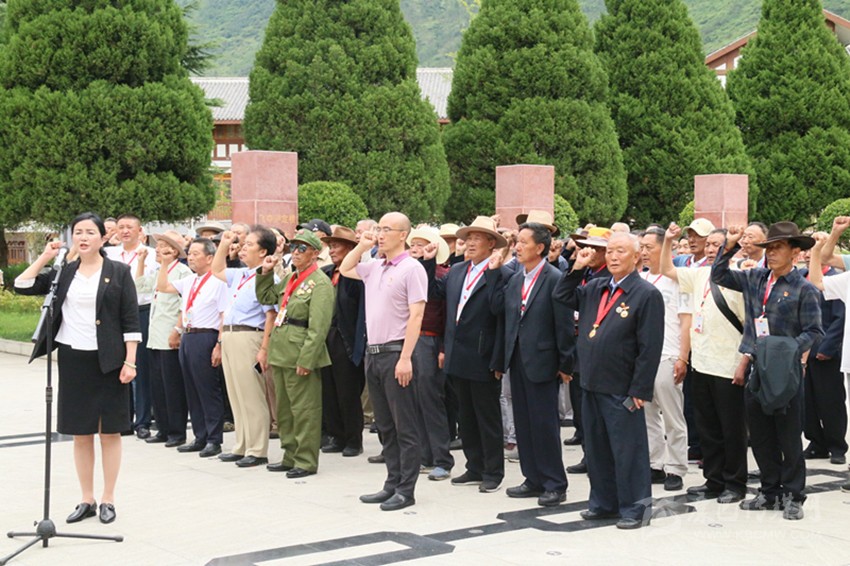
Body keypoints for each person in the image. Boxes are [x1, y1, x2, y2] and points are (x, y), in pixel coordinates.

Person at [15, 212, 141, 524]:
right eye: (78, 232)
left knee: (109, 432)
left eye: (89, 232)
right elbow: (22, 284)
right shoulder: (65, 272)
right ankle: (87, 498)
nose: (83, 237)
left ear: (102, 237)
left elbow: (130, 319)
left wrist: (130, 360)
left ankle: (108, 498)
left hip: (109, 361)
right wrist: (47, 256)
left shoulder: (119, 271)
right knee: (81, 433)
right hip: (74, 359)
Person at [553, 232, 664, 529]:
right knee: (597, 449)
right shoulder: (596, 287)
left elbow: (650, 346)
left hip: (622, 386)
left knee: (628, 451)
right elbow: (561, 296)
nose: (614, 256)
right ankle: (604, 503)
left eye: (621, 251)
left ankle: (636, 509)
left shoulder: (645, 294)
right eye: (610, 251)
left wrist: (640, 388)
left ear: (636, 256)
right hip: (591, 381)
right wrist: (577, 268)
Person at [712, 222, 823, 520]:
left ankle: (793, 495)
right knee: (761, 435)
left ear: (795, 252)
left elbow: (814, 331)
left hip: (785, 371)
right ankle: (769, 491)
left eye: (778, 248)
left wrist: (786, 350)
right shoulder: (755, 278)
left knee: (788, 436)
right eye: (769, 248)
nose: (771, 253)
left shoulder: (804, 289)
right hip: (756, 368)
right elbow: (719, 275)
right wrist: (730, 245)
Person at [340, 212, 428, 511]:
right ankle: (392, 482)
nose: (380, 234)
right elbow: (345, 268)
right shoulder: (375, 266)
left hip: (396, 353)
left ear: (403, 234)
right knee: (385, 426)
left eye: (386, 229)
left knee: (405, 426)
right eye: (378, 228)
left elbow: (417, 315)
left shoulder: (412, 269)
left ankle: (406, 489)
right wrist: (362, 245)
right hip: (373, 353)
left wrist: (406, 357)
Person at [661, 225, 749, 505]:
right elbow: (666, 269)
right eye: (708, 244)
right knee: (707, 427)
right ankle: (714, 480)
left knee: (731, 429)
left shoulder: (740, 277)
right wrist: (668, 241)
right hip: (701, 363)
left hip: (729, 365)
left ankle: (735, 483)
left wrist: (744, 361)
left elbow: (749, 326)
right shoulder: (698, 274)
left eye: (717, 245)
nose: (711, 249)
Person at [489, 222, 574, 508]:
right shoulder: (516, 278)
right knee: (523, 422)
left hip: (544, 361)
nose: (518, 247)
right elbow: (500, 313)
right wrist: (494, 273)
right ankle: (532, 477)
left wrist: (565, 364)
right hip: (517, 359)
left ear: (539, 247)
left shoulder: (554, 278)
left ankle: (554, 483)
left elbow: (563, 324)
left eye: (524, 242)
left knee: (544, 424)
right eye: (517, 242)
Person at [423, 216, 508, 494]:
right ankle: (474, 466)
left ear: (491, 244)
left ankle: (493, 471)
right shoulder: (458, 270)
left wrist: (493, 274)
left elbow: (499, 312)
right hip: (457, 353)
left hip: (483, 354)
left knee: (487, 416)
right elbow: (435, 292)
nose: (470, 243)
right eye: (468, 238)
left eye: (477, 238)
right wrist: (428, 263)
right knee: (466, 416)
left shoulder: (501, 273)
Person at [256, 230, 334, 478]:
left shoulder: (320, 283)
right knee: (285, 410)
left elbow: (318, 327)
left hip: (300, 351)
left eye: (302, 249)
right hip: (282, 349)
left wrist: (307, 359)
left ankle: (306, 460)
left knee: (304, 410)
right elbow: (267, 297)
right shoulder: (292, 277)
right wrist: (265, 272)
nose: (296, 253)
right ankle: (290, 455)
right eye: (293, 248)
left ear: (315, 253)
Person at [211, 227, 278, 468]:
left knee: (252, 394)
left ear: (263, 252)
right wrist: (224, 243)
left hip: (250, 335)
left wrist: (264, 348)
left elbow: (271, 315)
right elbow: (216, 269)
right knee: (237, 394)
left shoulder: (268, 277)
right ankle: (241, 445)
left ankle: (257, 449)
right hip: (230, 335)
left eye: (250, 244)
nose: (243, 247)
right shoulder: (241, 274)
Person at [158, 238, 229, 458]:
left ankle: (214, 439)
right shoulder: (190, 280)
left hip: (206, 336)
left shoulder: (218, 281)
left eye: (196, 253)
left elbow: (223, 315)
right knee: (191, 389)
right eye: (189, 253)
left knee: (208, 389)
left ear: (210, 258)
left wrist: (219, 344)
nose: (191, 257)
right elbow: (163, 287)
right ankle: (200, 436)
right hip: (188, 335)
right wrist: (164, 264)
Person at [638, 227, 691, 492]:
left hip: (669, 355)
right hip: (643, 358)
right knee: (647, 414)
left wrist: (683, 357)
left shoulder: (679, 280)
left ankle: (676, 468)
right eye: (642, 248)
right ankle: (655, 463)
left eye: (649, 247)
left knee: (672, 416)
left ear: (664, 248)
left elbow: (685, 322)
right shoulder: (641, 279)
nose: (644, 252)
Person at [134, 230, 193, 447]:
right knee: (157, 386)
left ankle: (177, 432)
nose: (157, 251)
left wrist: (177, 330)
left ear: (174, 251)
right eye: (157, 246)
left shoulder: (183, 272)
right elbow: (139, 285)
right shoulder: (160, 270)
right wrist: (141, 261)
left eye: (162, 247)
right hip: (155, 336)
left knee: (172, 387)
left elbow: (184, 304)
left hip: (170, 336)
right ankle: (163, 428)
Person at [563, 227, 612, 475]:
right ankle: (588, 453)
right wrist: (577, 268)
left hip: (601, 352)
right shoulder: (585, 273)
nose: (588, 252)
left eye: (596, 248)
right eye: (585, 247)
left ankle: (599, 457)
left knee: (597, 410)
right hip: (578, 346)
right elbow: (562, 295)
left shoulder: (608, 277)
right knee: (581, 406)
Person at [407, 226, 455, 480]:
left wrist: (444, 348)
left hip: (430, 340)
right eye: (413, 244)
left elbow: (447, 315)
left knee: (431, 400)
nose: (415, 248)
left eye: (421, 244)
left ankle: (442, 459)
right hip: (409, 341)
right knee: (413, 401)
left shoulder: (441, 274)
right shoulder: (406, 271)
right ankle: (424, 456)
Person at [105, 214, 156, 439]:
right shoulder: (109, 254)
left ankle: (142, 421)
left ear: (140, 230)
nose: (125, 231)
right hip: (114, 314)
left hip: (140, 311)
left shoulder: (151, 255)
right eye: (121, 227)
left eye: (130, 227)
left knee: (139, 366)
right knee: (117, 365)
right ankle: (123, 419)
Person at [319, 226, 367, 458]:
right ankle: (335, 435)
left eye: (336, 246)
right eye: (330, 246)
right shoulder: (325, 273)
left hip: (346, 337)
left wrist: (358, 346)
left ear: (350, 248)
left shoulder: (358, 275)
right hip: (325, 336)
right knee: (328, 389)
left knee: (348, 390)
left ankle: (353, 439)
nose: (331, 250)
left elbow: (361, 313)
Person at [803, 226, 848, 465]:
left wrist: (827, 348)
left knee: (830, 399)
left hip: (826, 350)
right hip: (803, 349)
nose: (808, 253)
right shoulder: (801, 277)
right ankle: (816, 442)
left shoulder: (837, 277)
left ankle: (836, 445)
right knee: (807, 399)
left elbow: (840, 318)